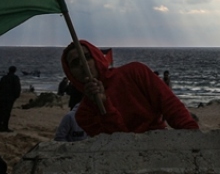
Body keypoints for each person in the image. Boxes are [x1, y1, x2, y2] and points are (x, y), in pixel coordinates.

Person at [60, 40, 199, 135]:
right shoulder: (84, 114)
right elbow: (117, 139)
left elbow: (169, 104)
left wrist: (192, 134)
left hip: (157, 141)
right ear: (70, 73)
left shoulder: (135, 72)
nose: (83, 65)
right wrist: (103, 104)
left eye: (87, 57)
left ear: (97, 57)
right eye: (75, 63)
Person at [0, 67, 21, 132]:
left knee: (0, 113)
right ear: (15, 71)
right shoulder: (15, 78)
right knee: (7, 113)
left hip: (2, 97)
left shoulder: (4, 78)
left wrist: (0, 95)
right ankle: (5, 127)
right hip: (10, 98)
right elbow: (17, 88)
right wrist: (16, 96)